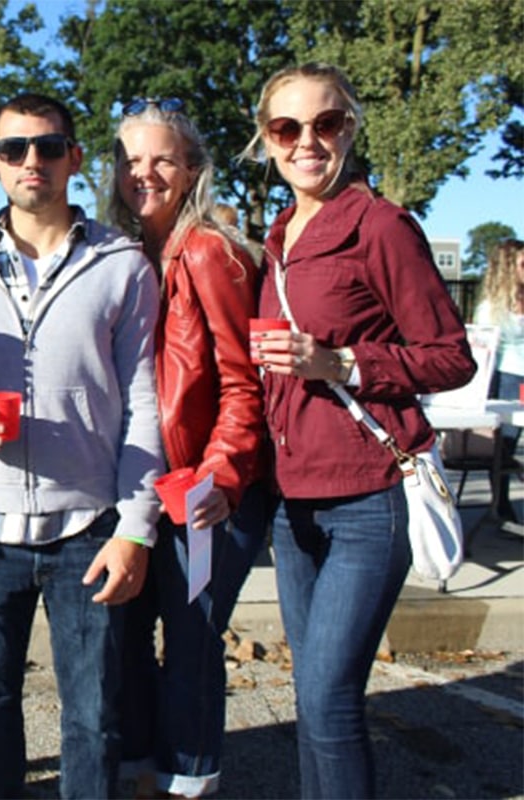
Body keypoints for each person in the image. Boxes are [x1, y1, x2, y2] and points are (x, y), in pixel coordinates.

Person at [242, 62, 475, 799]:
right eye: (286, 127)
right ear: (266, 139)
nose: (306, 142)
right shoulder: (280, 233)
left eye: (326, 123)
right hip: (292, 499)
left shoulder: (379, 226)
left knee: (329, 698)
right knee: (315, 703)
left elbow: (450, 358)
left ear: (351, 126)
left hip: (366, 499)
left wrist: (340, 361)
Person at [0, 92, 163, 799]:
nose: (34, 162)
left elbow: (143, 401)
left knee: (92, 714)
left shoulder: (122, 264)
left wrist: (136, 529)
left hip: (88, 530)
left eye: (49, 147)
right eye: (14, 150)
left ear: (75, 159)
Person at [108, 99, 267, 798]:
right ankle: (144, 765)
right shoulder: (122, 253)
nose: (144, 173)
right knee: (130, 632)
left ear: (193, 169)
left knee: (193, 640)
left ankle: (189, 777)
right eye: (130, 159)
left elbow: (243, 381)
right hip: (145, 484)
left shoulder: (208, 250)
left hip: (203, 489)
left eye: (162, 159)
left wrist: (219, 478)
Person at [473, 238, 524, 520]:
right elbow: (484, 349)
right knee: (506, 443)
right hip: (508, 377)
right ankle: (501, 504)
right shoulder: (491, 308)